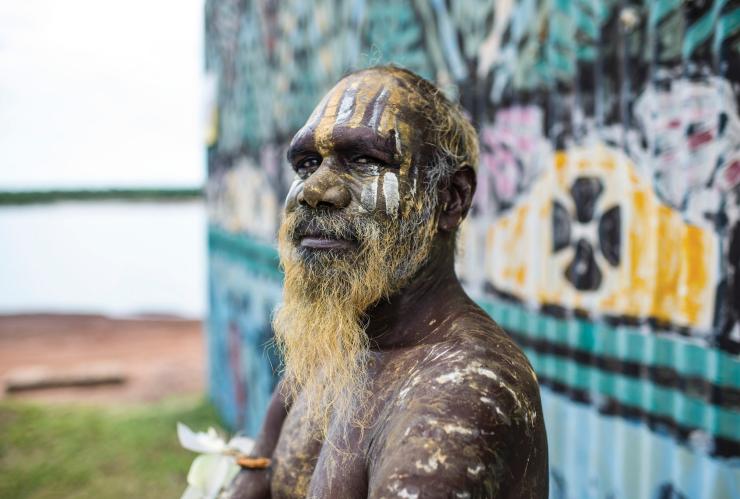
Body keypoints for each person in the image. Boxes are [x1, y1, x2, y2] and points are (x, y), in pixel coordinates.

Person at [227, 65, 548, 499]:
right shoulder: (342, 336)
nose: (314, 189)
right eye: (306, 164)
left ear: (450, 199)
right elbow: (257, 470)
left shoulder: (463, 391)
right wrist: (254, 464)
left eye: (363, 160)